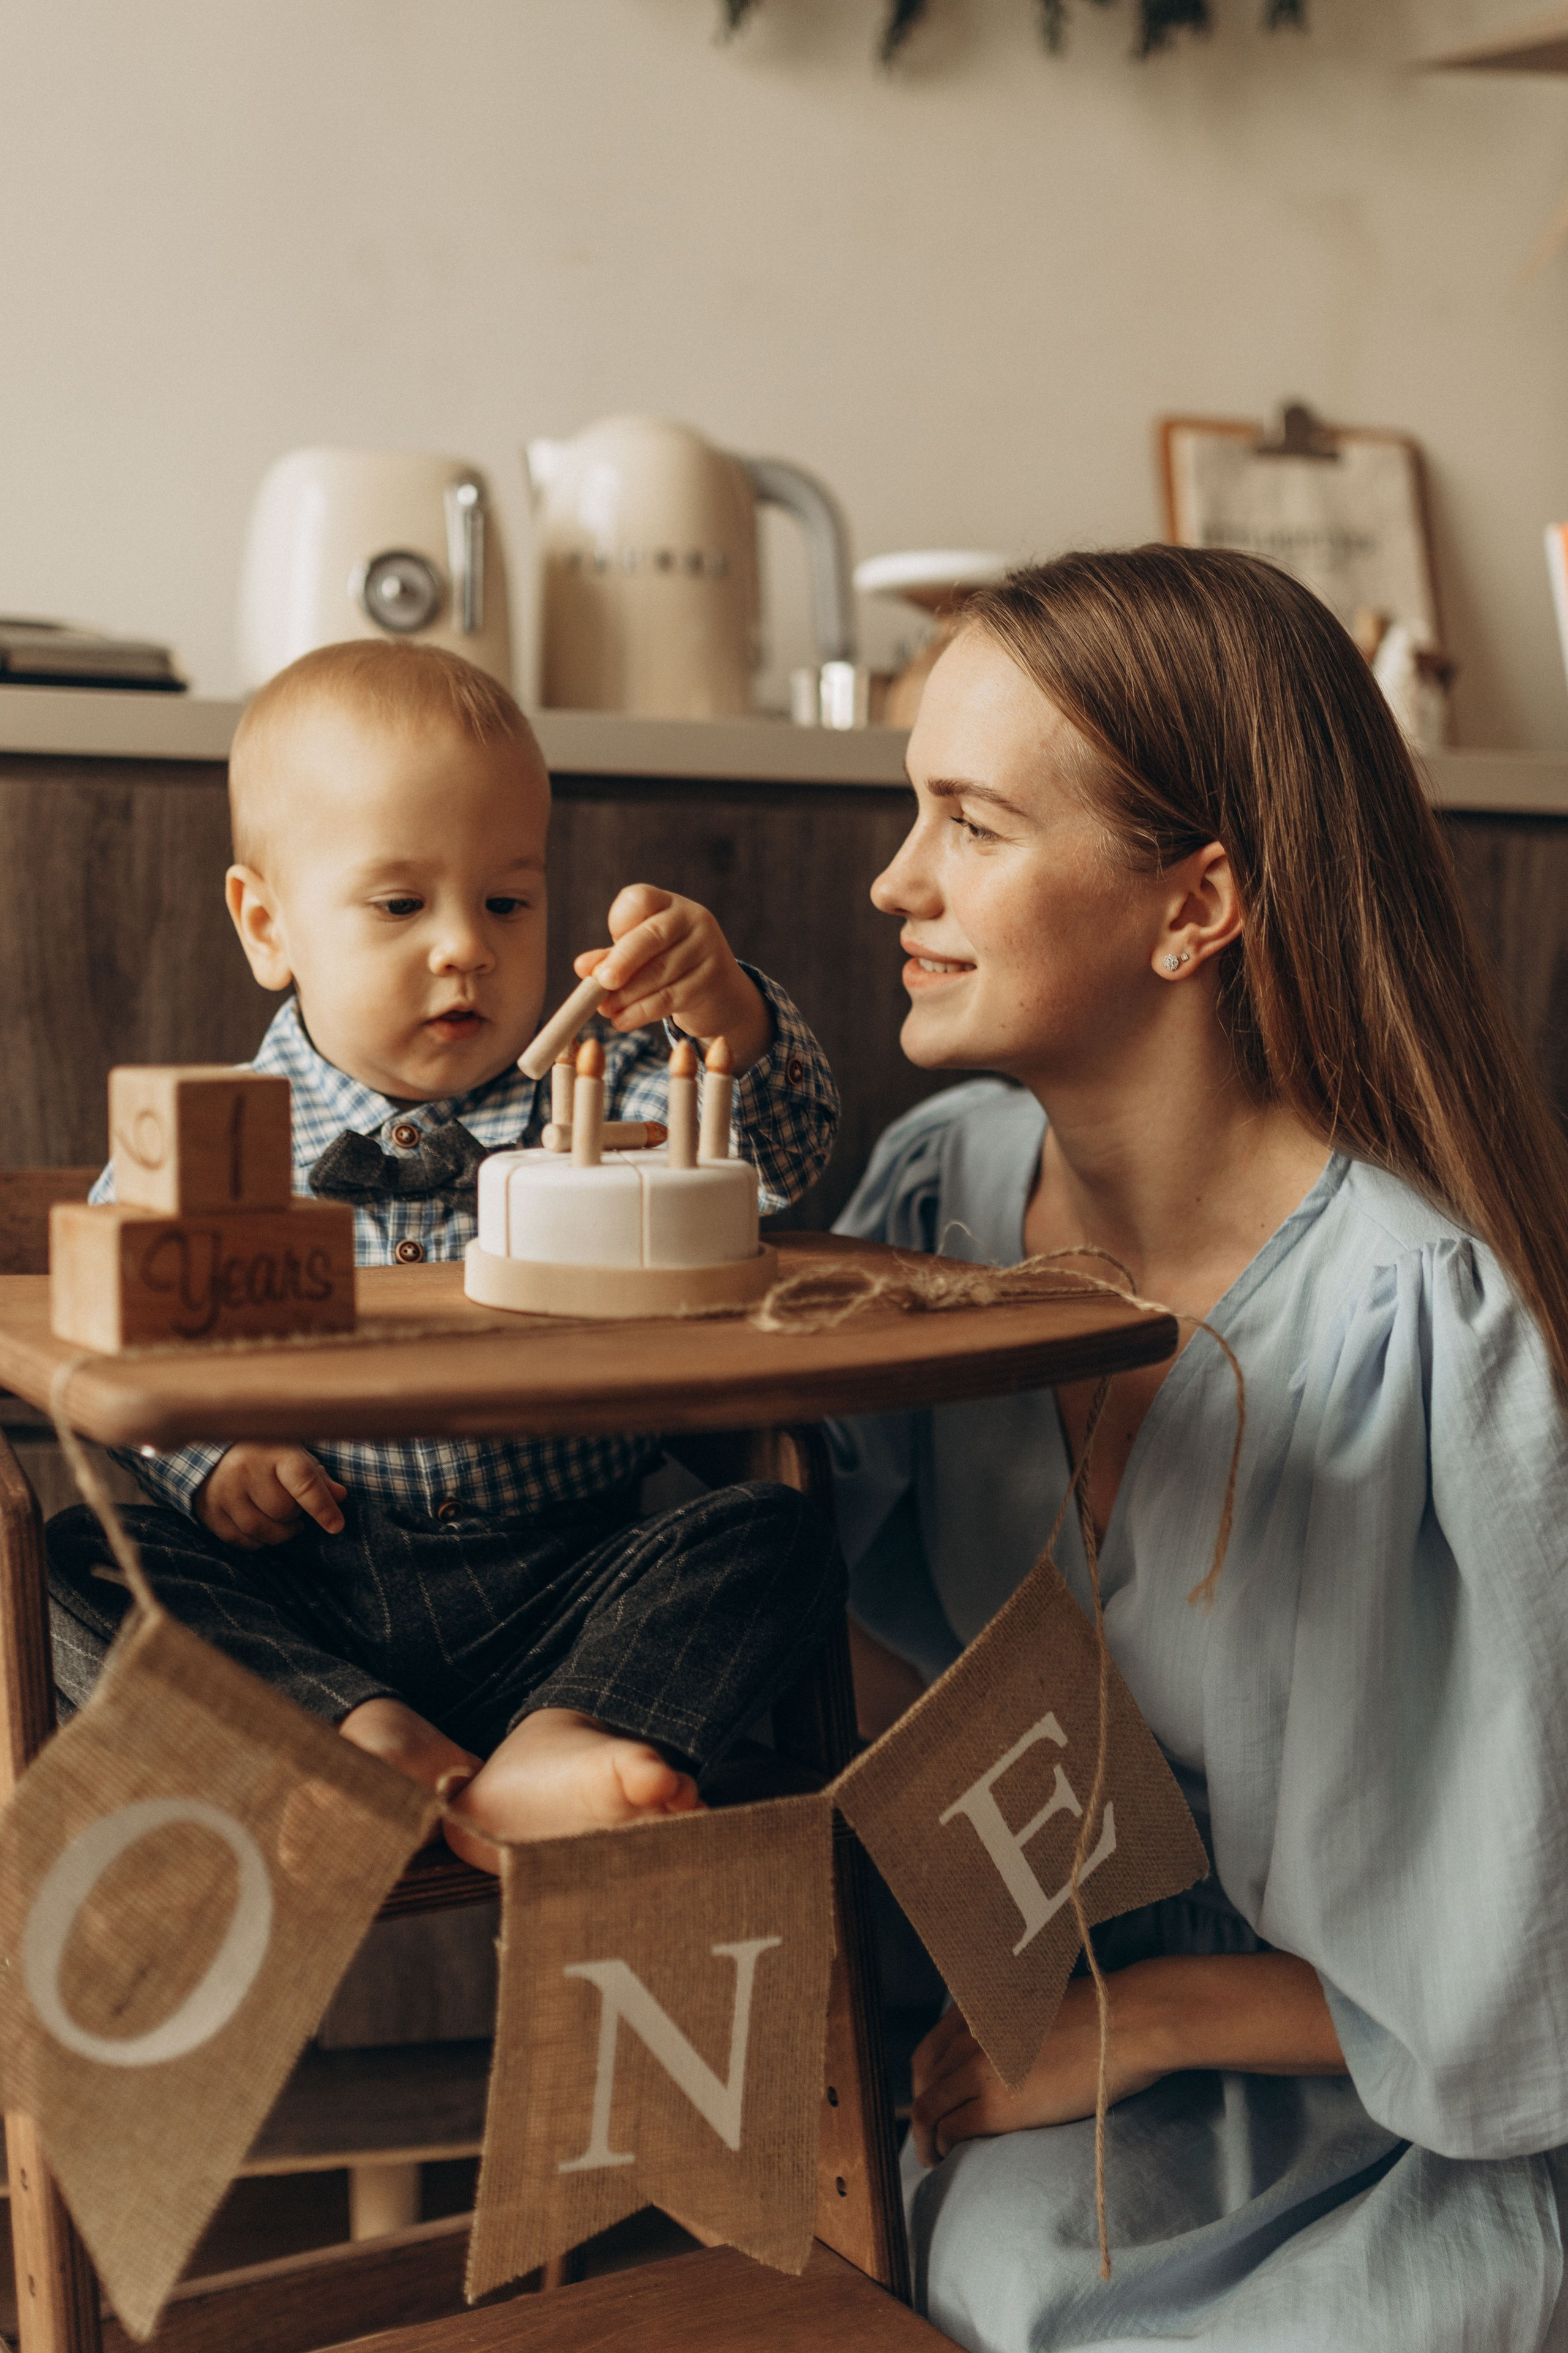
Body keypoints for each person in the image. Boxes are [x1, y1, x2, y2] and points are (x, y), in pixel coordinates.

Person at [827, 548, 1568, 2352]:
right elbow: (813, 1594)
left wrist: (1152, 2022)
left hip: (1420, 2109)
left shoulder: (1425, 1327)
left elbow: (1539, 1943)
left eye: (972, 825)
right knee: (982, 2274)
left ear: (1197, 903)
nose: (894, 882)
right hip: (1041, 2049)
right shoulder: (937, 1201)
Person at [48, 639, 844, 1868]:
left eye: (508, 901)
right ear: (269, 923)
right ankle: (354, 1732)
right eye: (401, 904)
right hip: (310, 1585)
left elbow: (787, 1159)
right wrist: (210, 1460)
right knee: (84, 1554)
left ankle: (560, 1741)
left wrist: (726, 1009)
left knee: (776, 1529)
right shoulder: (220, 1126)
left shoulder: (621, 1086)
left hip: (571, 1581)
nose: (465, 946)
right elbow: (104, 1334)